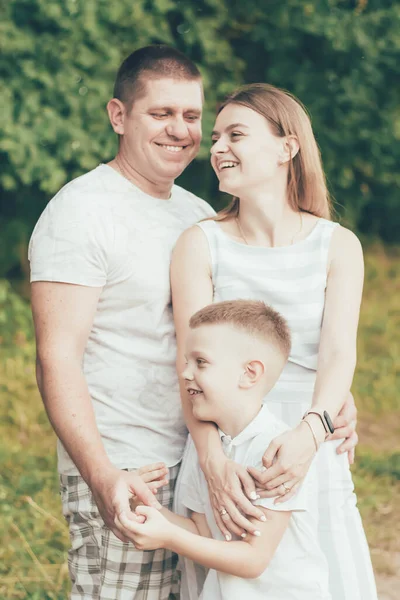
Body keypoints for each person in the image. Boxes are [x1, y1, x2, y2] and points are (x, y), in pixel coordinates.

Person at [171, 83, 377, 600]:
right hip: (228, 451)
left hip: (311, 439)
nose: (216, 148)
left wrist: (312, 432)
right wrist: (215, 465)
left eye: (235, 134)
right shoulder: (201, 244)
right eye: (215, 137)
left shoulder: (336, 245)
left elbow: (337, 354)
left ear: (287, 148)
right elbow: (191, 369)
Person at [28, 45, 215, 599]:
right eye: (161, 113)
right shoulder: (81, 212)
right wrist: (104, 476)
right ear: (118, 115)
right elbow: (55, 357)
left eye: (191, 115)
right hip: (128, 469)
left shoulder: (199, 214)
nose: (179, 130)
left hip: (202, 464)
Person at [119, 299, 332, 600]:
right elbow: (204, 534)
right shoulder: (205, 450)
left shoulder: (275, 452)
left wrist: (169, 537)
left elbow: (253, 560)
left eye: (200, 362)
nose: (185, 374)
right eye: (186, 362)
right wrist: (140, 504)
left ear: (250, 373)